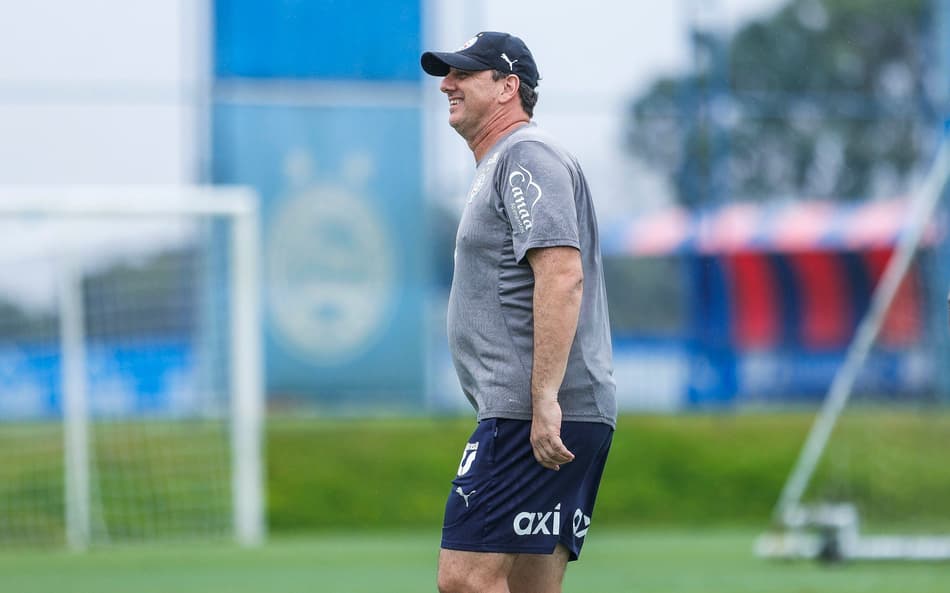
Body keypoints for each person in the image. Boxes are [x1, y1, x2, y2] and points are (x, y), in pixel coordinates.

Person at [421, 31, 617, 593]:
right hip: (549, 408)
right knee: (532, 586)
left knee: (464, 579)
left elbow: (561, 273)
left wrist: (543, 399)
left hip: (531, 412)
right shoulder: (505, 163)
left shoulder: (525, 155)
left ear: (508, 88)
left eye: (463, 74)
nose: (446, 84)